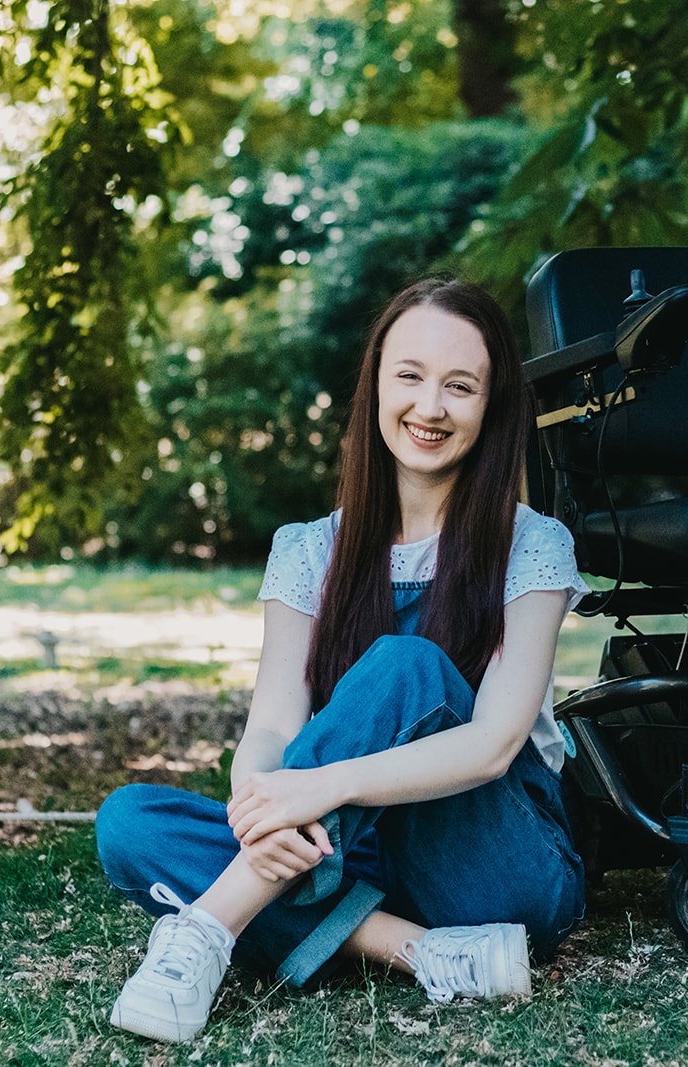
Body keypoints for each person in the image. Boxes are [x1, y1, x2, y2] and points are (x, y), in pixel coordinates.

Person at [94, 278, 590, 1042]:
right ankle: (416, 949)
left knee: (407, 668)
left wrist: (313, 790)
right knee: (128, 824)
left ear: (491, 407)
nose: (430, 406)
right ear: (376, 383)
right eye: (411, 376)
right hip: (356, 855)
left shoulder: (533, 543)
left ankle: (213, 927)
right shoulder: (308, 550)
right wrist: (267, 800)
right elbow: (269, 729)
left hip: (499, 867)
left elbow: (492, 746)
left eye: (460, 386)